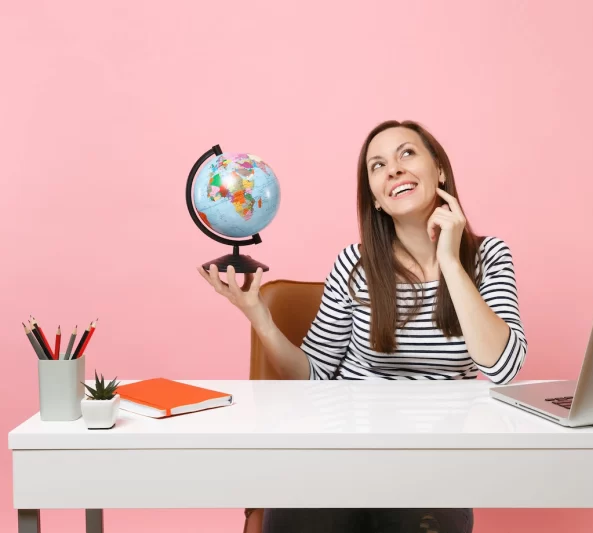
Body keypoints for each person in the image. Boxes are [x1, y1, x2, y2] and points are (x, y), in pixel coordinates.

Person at [198, 120, 528, 533]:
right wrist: (258, 316)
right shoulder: (354, 264)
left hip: (433, 467)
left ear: (439, 168)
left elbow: (503, 366)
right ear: (374, 197)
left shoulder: (488, 256)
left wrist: (448, 260)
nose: (393, 169)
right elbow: (314, 376)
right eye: (378, 165)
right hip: (341, 456)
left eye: (407, 153)